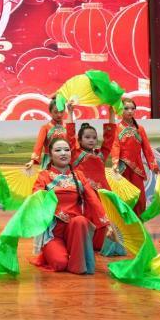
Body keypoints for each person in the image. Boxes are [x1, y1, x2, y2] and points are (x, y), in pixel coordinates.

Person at [31, 138, 112, 274]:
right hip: (53, 233)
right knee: (60, 264)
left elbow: (93, 200)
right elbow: (36, 201)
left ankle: (77, 265)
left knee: (80, 220)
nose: (63, 153)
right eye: (58, 150)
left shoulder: (79, 176)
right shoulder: (43, 176)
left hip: (74, 230)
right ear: (50, 155)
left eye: (66, 150)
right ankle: (59, 253)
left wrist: (107, 224)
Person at [110, 97, 160, 216]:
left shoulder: (139, 129)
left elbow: (147, 148)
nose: (130, 111)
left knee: (140, 198)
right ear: (120, 110)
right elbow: (115, 145)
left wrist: (153, 165)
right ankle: (126, 222)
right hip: (122, 168)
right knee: (125, 197)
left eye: (132, 108)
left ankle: (139, 221)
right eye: (126, 108)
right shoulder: (117, 128)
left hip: (137, 168)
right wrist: (115, 163)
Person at [65, 103, 116, 192]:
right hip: (83, 193)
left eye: (94, 138)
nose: (91, 140)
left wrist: (112, 113)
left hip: (102, 193)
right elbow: (70, 135)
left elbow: (110, 137)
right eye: (87, 137)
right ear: (79, 140)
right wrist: (70, 112)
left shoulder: (101, 154)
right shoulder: (75, 153)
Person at [25, 98, 67, 170]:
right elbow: (39, 145)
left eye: (61, 112)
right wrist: (32, 160)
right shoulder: (45, 128)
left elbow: (74, 145)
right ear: (50, 112)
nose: (59, 115)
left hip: (65, 160)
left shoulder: (68, 127)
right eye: (56, 112)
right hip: (49, 161)